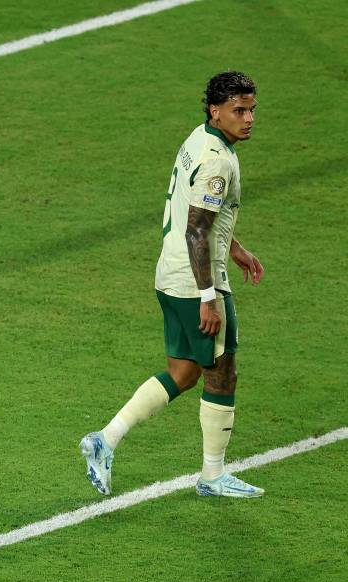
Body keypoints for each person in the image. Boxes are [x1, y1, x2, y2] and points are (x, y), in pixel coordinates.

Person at [80, 71, 265, 498]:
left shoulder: (198, 141)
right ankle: (213, 475)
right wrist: (208, 298)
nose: (249, 118)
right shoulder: (218, 161)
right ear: (215, 111)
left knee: (183, 372)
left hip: (170, 272)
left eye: (252, 110)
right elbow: (197, 230)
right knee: (222, 371)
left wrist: (235, 247)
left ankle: (105, 440)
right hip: (197, 280)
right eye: (239, 110)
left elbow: (198, 211)